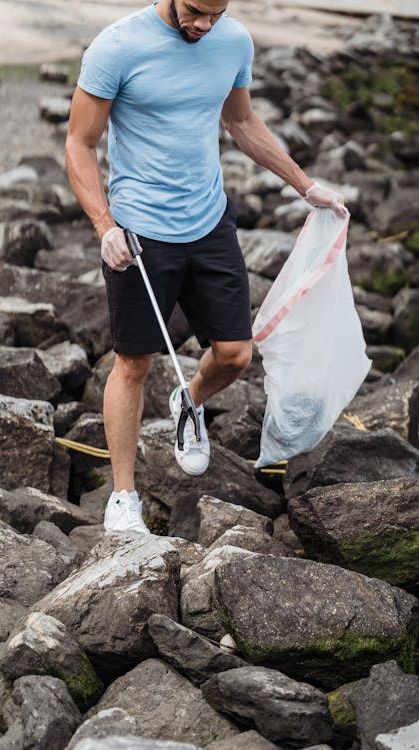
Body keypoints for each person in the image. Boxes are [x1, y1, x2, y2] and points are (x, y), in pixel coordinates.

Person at [65, 0, 348, 535]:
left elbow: (240, 120)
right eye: (195, 12)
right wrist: (105, 226)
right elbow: (79, 143)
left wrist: (305, 186)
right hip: (140, 230)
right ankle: (123, 498)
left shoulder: (233, 41)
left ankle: (187, 401)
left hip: (209, 220)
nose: (203, 25)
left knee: (236, 356)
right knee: (133, 363)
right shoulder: (117, 47)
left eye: (215, 14)